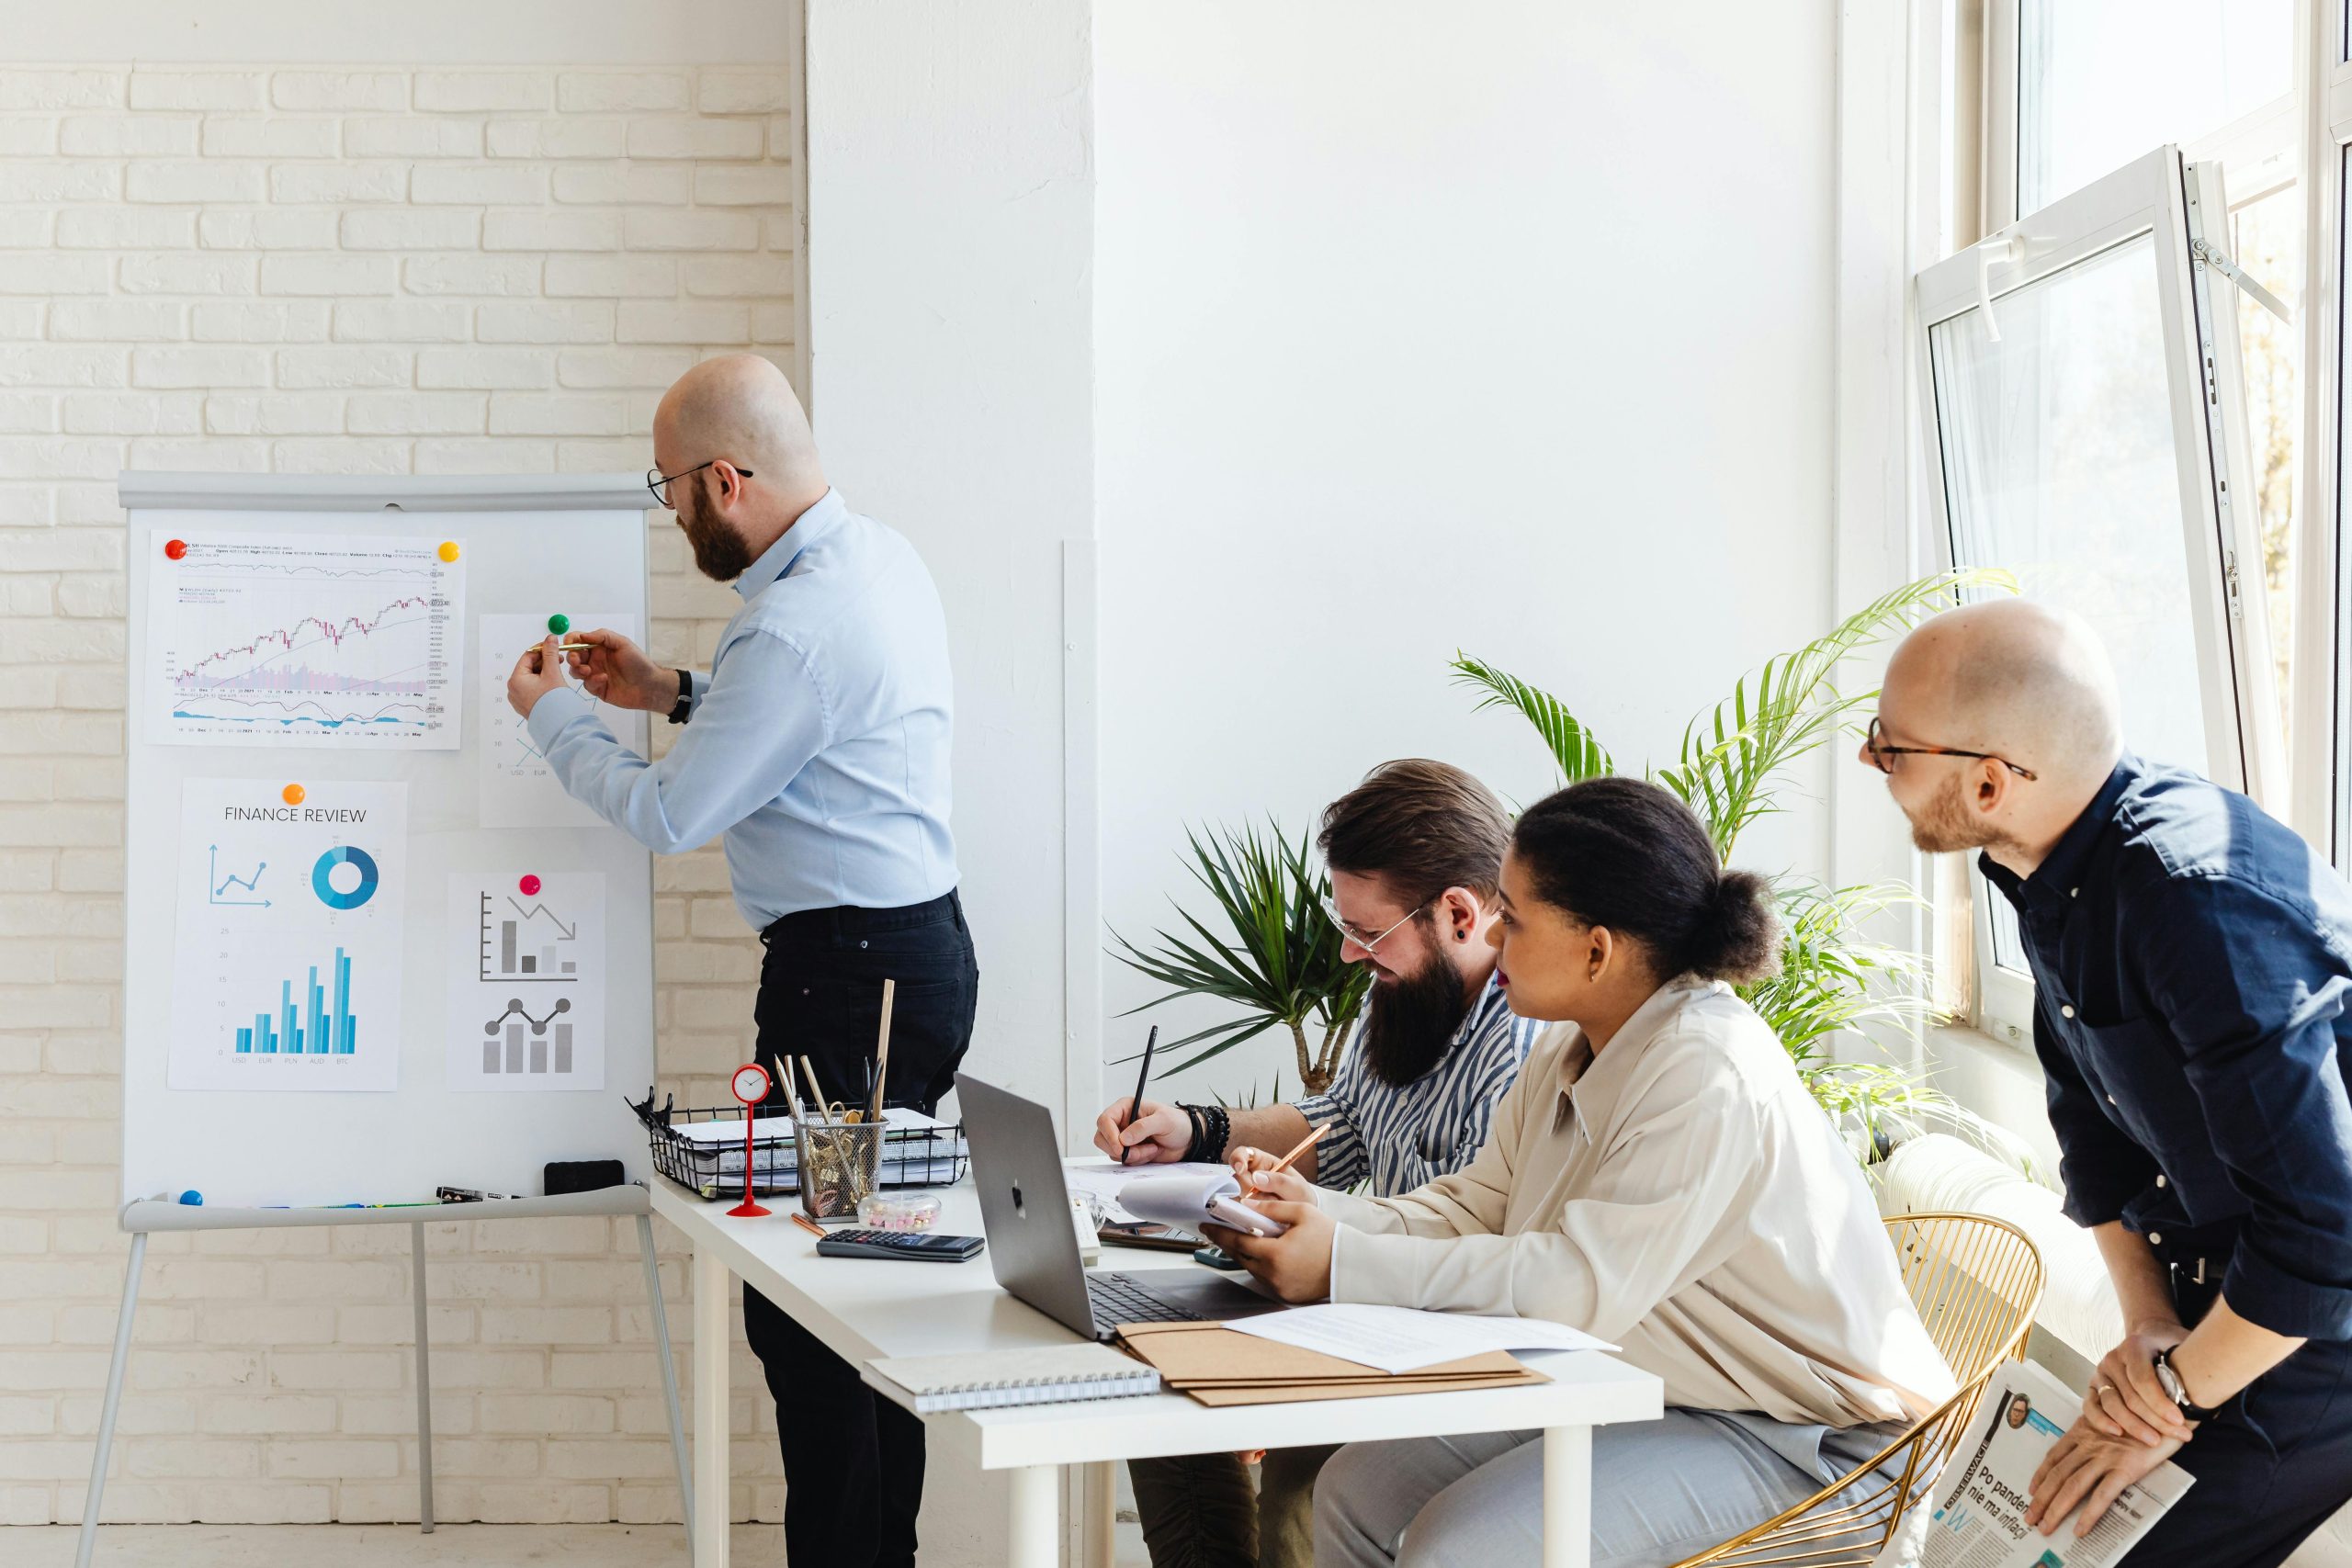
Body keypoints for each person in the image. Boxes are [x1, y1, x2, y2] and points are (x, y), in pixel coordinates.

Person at [1208, 776, 1955, 1568]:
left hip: (1820, 1443)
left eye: (1516, 920)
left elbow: (1574, 1288)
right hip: (1670, 1392)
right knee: (1356, 1488)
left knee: (1454, 1550)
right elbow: (1478, 1205)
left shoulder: (1708, 1067)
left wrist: (1342, 1260)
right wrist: (1313, 1214)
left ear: (1597, 950)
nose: (1493, 938)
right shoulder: (1574, 1044)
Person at [504, 353, 977, 1568]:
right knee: (864, 1290)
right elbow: (815, 727)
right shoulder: (877, 558)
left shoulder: (795, 624)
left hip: (848, 982)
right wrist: (676, 687)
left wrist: (557, 718)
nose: (671, 515)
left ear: (727, 477)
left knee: (815, 1312)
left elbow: (670, 813)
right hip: (904, 957)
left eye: (670, 488)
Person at [1863, 598, 2352, 1567]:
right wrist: (2146, 1328)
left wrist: (2167, 1396)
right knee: (1987, 1535)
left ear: (1990, 782)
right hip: (2203, 1306)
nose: (1874, 763)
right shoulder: (2048, 867)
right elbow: (2092, 1137)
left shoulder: (2189, 902)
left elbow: (2324, 1234)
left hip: (2311, 1338)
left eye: (1888, 747)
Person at [1093, 758, 1538, 1568]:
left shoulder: (1522, 1042)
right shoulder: (1402, 987)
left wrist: (1320, 1246)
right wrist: (1197, 1128)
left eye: (1367, 931)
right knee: (1157, 1387)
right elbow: (1342, 1127)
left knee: (1303, 1476)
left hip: (1451, 1340)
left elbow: (1486, 1245)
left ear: (1459, 912)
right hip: (1364, 1306)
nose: (1346, 952)